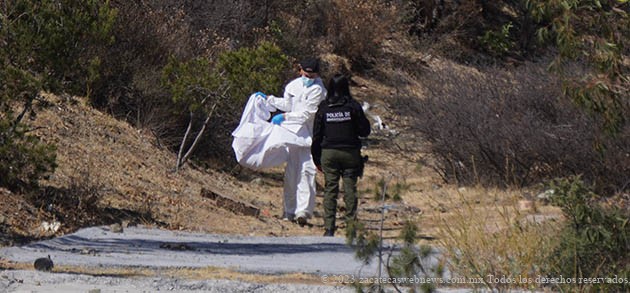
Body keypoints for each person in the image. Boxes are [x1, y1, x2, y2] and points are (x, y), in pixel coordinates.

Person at [258, 58, 327, 226]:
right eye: (306, 73)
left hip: (309, 137)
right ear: (300, 70)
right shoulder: (293, 85)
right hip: (291, 135)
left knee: (307, 173)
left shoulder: (319, 90)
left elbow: (307, 113)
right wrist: (269, 99)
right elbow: (288, 104)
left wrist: (285, 117)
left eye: (312, 75)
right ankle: (289, 210)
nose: (308, 77)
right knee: (291, 174)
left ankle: (303, 211)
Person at [311, 74, 371, 237]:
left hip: (329, 153)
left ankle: (329, 228)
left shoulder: (324, 107)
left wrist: (316, 157)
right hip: (350, 152)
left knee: (331, 189)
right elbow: (365, 130)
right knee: (350, 188)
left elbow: (316, 134)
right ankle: (351, 227)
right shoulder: (353, 106)